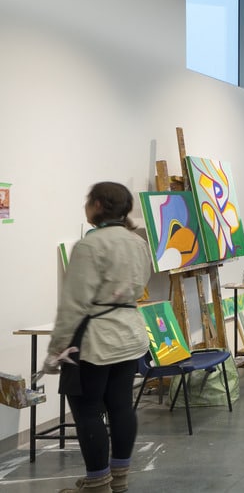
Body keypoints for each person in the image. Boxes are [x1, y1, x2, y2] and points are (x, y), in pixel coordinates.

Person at [45, 182, 152, 493]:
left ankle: (97, 483)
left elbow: (74, 303)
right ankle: (118, 480)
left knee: (87, 408)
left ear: (97, 206)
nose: (85, 207)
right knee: (120, 405)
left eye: (87, 201)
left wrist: (56, 350)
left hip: (95, 338)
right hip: (129, 332)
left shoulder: (90, 246)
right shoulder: (137, 242)